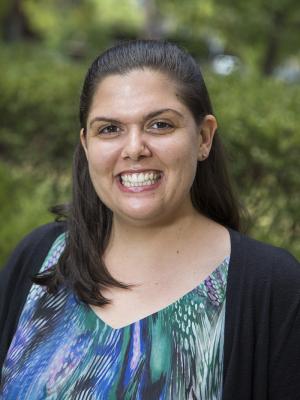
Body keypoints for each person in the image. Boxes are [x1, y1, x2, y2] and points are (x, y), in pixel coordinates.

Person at [0, 40, 299, 400]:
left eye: (159, 125)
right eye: (109, 129)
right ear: (86, 145)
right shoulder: (40, 258)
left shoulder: (270, 286)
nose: (134, 148)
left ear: (203, 137)